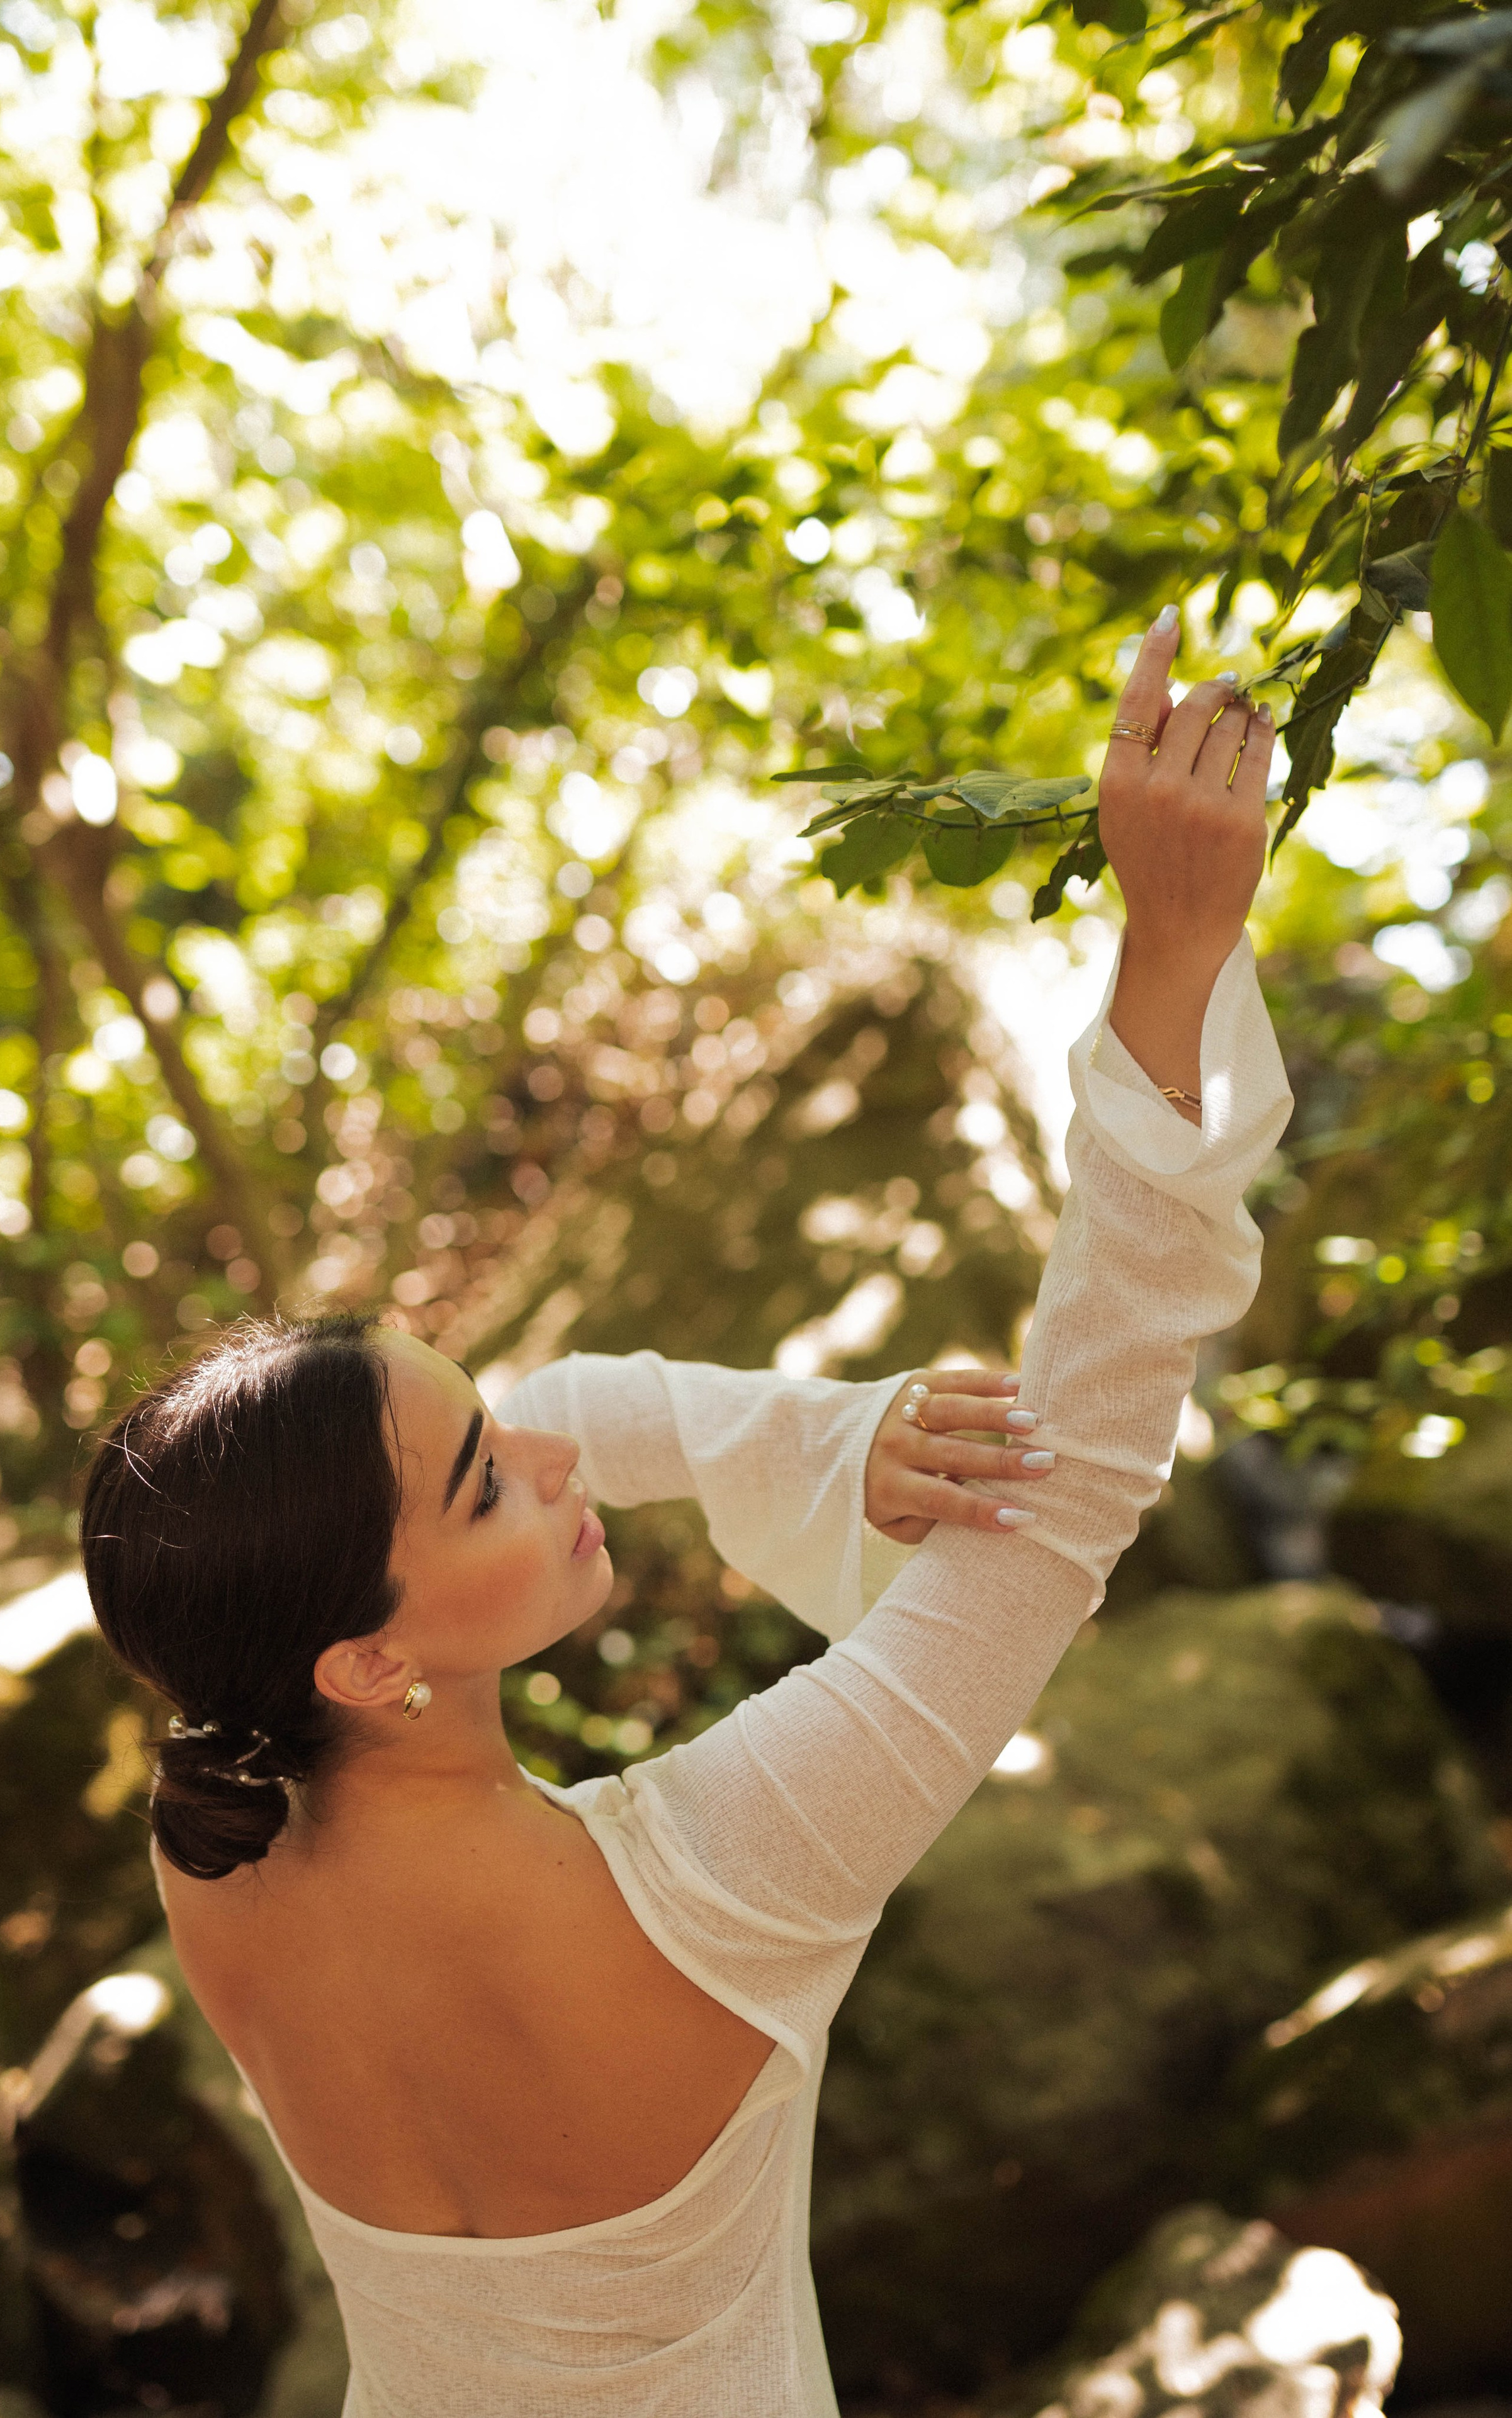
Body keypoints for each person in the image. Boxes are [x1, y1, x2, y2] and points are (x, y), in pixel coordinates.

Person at [82, 609, 1290, 2418]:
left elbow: (555, 1418)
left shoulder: (220, 1846)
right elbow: (1074, 1484)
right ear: (366, 1656)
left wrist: (834, 1441)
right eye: (490, 1479)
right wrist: (1173, 954)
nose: (553, 1458)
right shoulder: (730, 1878)